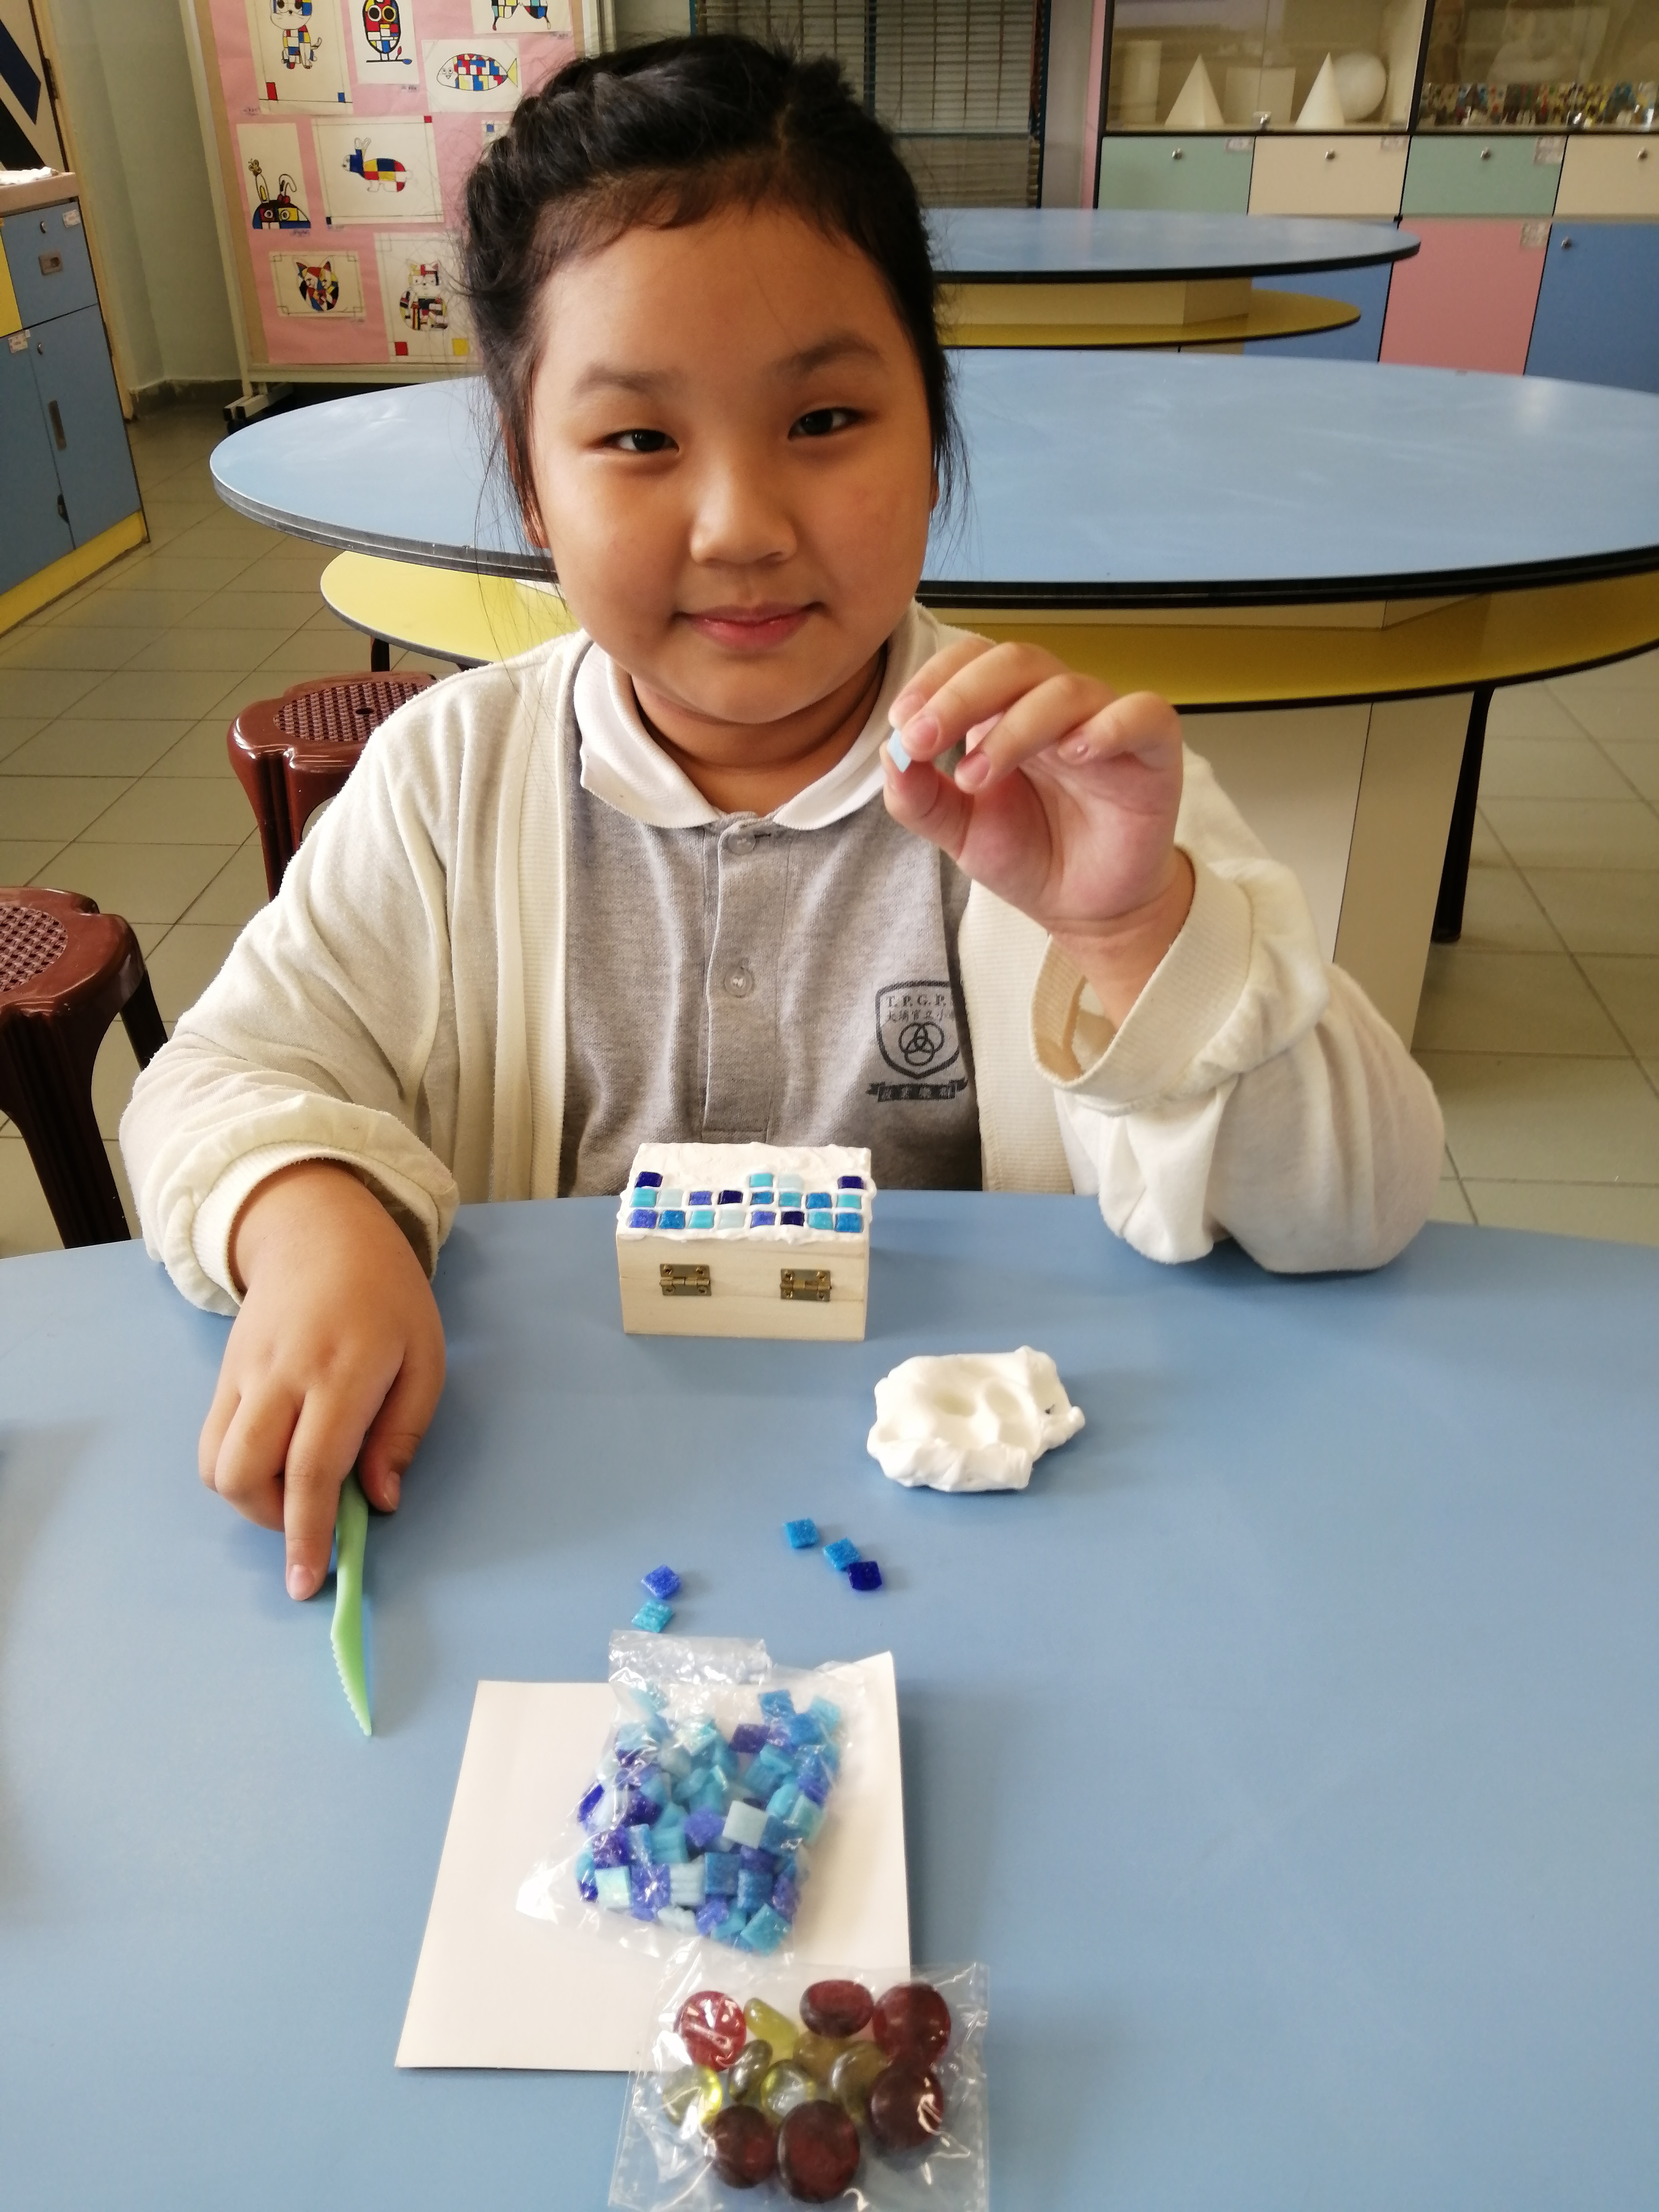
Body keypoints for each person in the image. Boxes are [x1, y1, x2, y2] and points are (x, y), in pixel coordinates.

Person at [121, 35, 1443, 1602]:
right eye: (638, 439)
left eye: (823, 420)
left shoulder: (1066, 782)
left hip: (999, 1547)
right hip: (571, 1531)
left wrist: (1138, 931)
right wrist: (307, 1213)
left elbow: (1363, 1203)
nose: (742, 526)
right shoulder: (447, 781)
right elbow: (217, 1078)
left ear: (934, 431)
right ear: (532, 487)